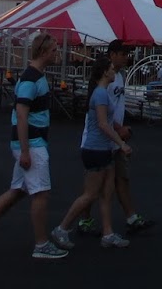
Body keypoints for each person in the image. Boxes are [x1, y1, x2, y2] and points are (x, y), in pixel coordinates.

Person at [0, 33, 69, 259]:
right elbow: (21, 114)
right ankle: (41, 244)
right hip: (32, 143)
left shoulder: (36, 76)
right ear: (44, 52)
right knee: (41, 192)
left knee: (18, 190)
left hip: (32, 141)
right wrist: (24, 151)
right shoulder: (31, 79)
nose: (57, 54)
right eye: (54, 50)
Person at [54, 55, 135, 249]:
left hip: (103, 149)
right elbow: (103, 124)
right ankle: (62, 228)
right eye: (111, 69)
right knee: (90, 194)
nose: (114, 72)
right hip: (95, 148)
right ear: (105, 72)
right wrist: (121, 143)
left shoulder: (103, 93)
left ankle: (108, 233)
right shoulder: (100, 94)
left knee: (107, 193)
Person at [76, 39, 153, 235]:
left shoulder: (117, 77)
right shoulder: (104, 82)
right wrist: (119, 130)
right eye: (123, 54)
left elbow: (116, 107)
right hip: (101, 138)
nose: (127, 58)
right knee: (94, 186)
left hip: (114, 137)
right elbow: (102, 116)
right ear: (112, 55)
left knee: (120, 178)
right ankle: (81, 220)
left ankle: (129, 217)